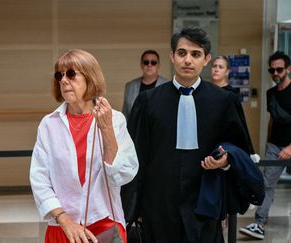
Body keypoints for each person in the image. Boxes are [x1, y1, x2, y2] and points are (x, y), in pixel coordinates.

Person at [128, 28, 252, 242]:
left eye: (195, 54)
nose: (188, 60)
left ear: (206, 59)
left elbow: (239, 149)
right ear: (172, 56)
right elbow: (136, 156)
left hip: (205, 202)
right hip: (158, 204)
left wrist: (225, 161)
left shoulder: (223, 101)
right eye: (182, 53)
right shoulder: (148, 102)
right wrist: (134, 207)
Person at [29, 49, 138, 243]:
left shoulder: (115, 119)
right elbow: (39, 179)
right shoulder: (49, 124)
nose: (63, 80)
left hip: (105, 222)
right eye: (59, 75)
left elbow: (124, 174)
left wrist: (107, 131)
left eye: (71, 74)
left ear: (90, 77)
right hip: (62, 226)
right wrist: (64, 220)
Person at [239, 51, 291, 240]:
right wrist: (269, 142)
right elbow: (272, 120)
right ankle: (259, 224)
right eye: (272, 70)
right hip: (275, 146)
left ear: (288, 69)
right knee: (267, 184)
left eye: (279, 69)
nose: (275, 73)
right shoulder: (270, 94)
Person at [211, 56, 256, 155]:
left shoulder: (231, 94)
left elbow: (240, 122)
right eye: (214, 66)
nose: (216, 69)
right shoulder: (206, 91)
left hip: (225, 141)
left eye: (220, 67)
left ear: (227, 72)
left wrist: (249, 150)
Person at [121, 49, 167, 120]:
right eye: (146, 62)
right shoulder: (130, 86)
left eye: (153, 62)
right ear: (141, 65)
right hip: (135, 129)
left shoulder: (167, 86)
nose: (149, 65)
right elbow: (126, 113)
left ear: (158, 65)